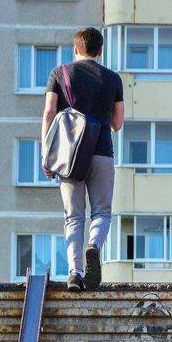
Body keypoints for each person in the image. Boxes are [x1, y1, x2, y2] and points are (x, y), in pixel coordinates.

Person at [41, 27, 125, 292]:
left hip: (69, 156)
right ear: (100, 51)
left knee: (73, 216)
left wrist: (46, 154)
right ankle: (94, 246)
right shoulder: (113, 79)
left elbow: (49, 112)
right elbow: (118, 122)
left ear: (75, 48)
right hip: (102, 152)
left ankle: (75, 274)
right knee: (101, 212)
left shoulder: (60, 73)